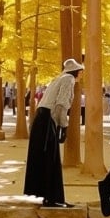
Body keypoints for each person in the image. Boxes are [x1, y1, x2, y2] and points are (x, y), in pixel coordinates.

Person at [23, 58, 84, 206]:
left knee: (45, 157)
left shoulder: (58, 79)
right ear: (77, 71)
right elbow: (61, 105)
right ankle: (53, 198)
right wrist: (64, 126)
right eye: (81, 72)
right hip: (48, 119)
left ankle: (47, 196)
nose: (82, 75)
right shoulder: (68, 79)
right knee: (52, 158)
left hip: (41, 118)